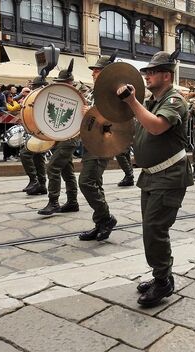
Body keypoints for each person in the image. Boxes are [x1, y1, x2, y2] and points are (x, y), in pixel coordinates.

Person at [117, 50, 193, 307]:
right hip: (151, 176)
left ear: (166, 75)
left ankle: (163, 282)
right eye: (146, 73)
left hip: (169, 175)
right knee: (151, 230)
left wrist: (132, 101)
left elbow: (157, 126)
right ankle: (162, 275)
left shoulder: (175, 100)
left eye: (151, 73)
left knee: (155, 230)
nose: (147, 77)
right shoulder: (152, 101)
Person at [77, 53, 118, 241]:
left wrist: (90, 114)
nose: (93, 73)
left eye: (97, 70)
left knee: (86, 182)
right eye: (94, 70)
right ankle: (100, 222)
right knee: (96, 183)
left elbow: (115, 121)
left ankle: (107, 218)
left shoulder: (112, 93)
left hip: (102, 143)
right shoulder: (95, 92)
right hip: (91, 141)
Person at [36, 68, 79, 215]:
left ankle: (53, 202)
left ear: (70, 83)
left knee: (52, 167)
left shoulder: (78, 97)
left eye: (63, 82)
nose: (60, 85)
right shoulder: (62, 95)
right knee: (67, 171)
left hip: (70, 138)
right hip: (60, 137)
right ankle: (72, 202)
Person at [19, 80, 48, 195]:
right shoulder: (37, 97)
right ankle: (41, 184)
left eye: (35, 86)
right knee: (38, 155)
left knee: (25, 153)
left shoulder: (43, 97)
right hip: (38, 131)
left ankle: (34, 180)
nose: (33, 89)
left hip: (41, 131)